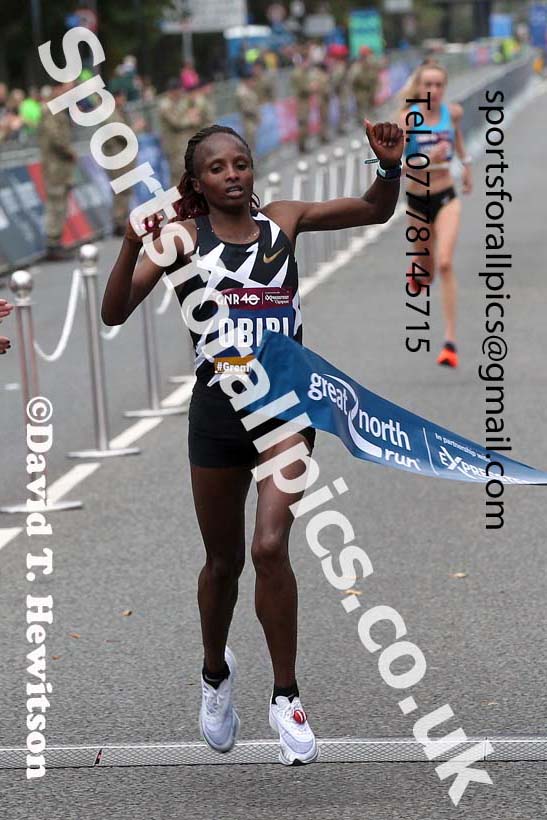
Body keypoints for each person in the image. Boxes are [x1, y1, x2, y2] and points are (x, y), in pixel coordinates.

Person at [101, 118, 403, 765]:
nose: (233, 174)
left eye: (240, 162)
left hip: (285, 411)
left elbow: (375, 211)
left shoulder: (284, 222)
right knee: (223, 565)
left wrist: (387, 167)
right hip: (216, 414)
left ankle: (286, 697)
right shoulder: (180, 239)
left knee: (270, 546)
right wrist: (131, 243)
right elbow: (113, 311)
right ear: (197, 183)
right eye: (217, 168)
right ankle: (215, 675)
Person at [399, 60, 472, 367]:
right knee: (427, 271)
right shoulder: (407, 121)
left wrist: (466, 166)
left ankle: (450, 342)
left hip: (446, 195)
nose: (433, 90)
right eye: (427, 84)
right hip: (417, 202)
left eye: (439, 85)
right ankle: (419, 269)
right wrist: (427, 158)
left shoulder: (452, 113)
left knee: (444, 263)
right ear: (418, 88)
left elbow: (457, 141)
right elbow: (397, 167)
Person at [37, 81, 77, 261]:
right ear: (57, 89)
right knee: (55, 205)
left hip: (61, 167)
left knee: (61, 205)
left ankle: (56, 242)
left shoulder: (58, 109)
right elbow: (56, 138)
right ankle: (52, 245)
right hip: (54, 167)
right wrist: (70, 151)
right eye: (66, 88)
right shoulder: (49, 110)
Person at [103, 89, 135, 237]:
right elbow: (121, 133)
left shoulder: (120, 111)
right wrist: (134, 130)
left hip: (123, 157)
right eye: (121, 98)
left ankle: (121, 220)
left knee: (126, 189)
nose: (124, 101)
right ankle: (118, 221)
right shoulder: (110, 113)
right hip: (115, 157)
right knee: (120, 190)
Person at [349, 46, 379, 126]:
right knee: (362, 107)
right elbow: (353, 79)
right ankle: (364, 123)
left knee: (369, 106)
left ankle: (367, 121)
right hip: (360, 90)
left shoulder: (370, 65)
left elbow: (374, 76)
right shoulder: (357, 66)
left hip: (369, 89)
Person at [235, 71, 260, 154]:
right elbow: (246, 108)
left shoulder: (249, 90)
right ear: (248, 81)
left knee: (253, 142)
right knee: (249, 143)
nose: (254, 83)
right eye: (253, 81)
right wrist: (256, 114)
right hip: (248, 120)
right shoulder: (242, 92)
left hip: (252, 120)